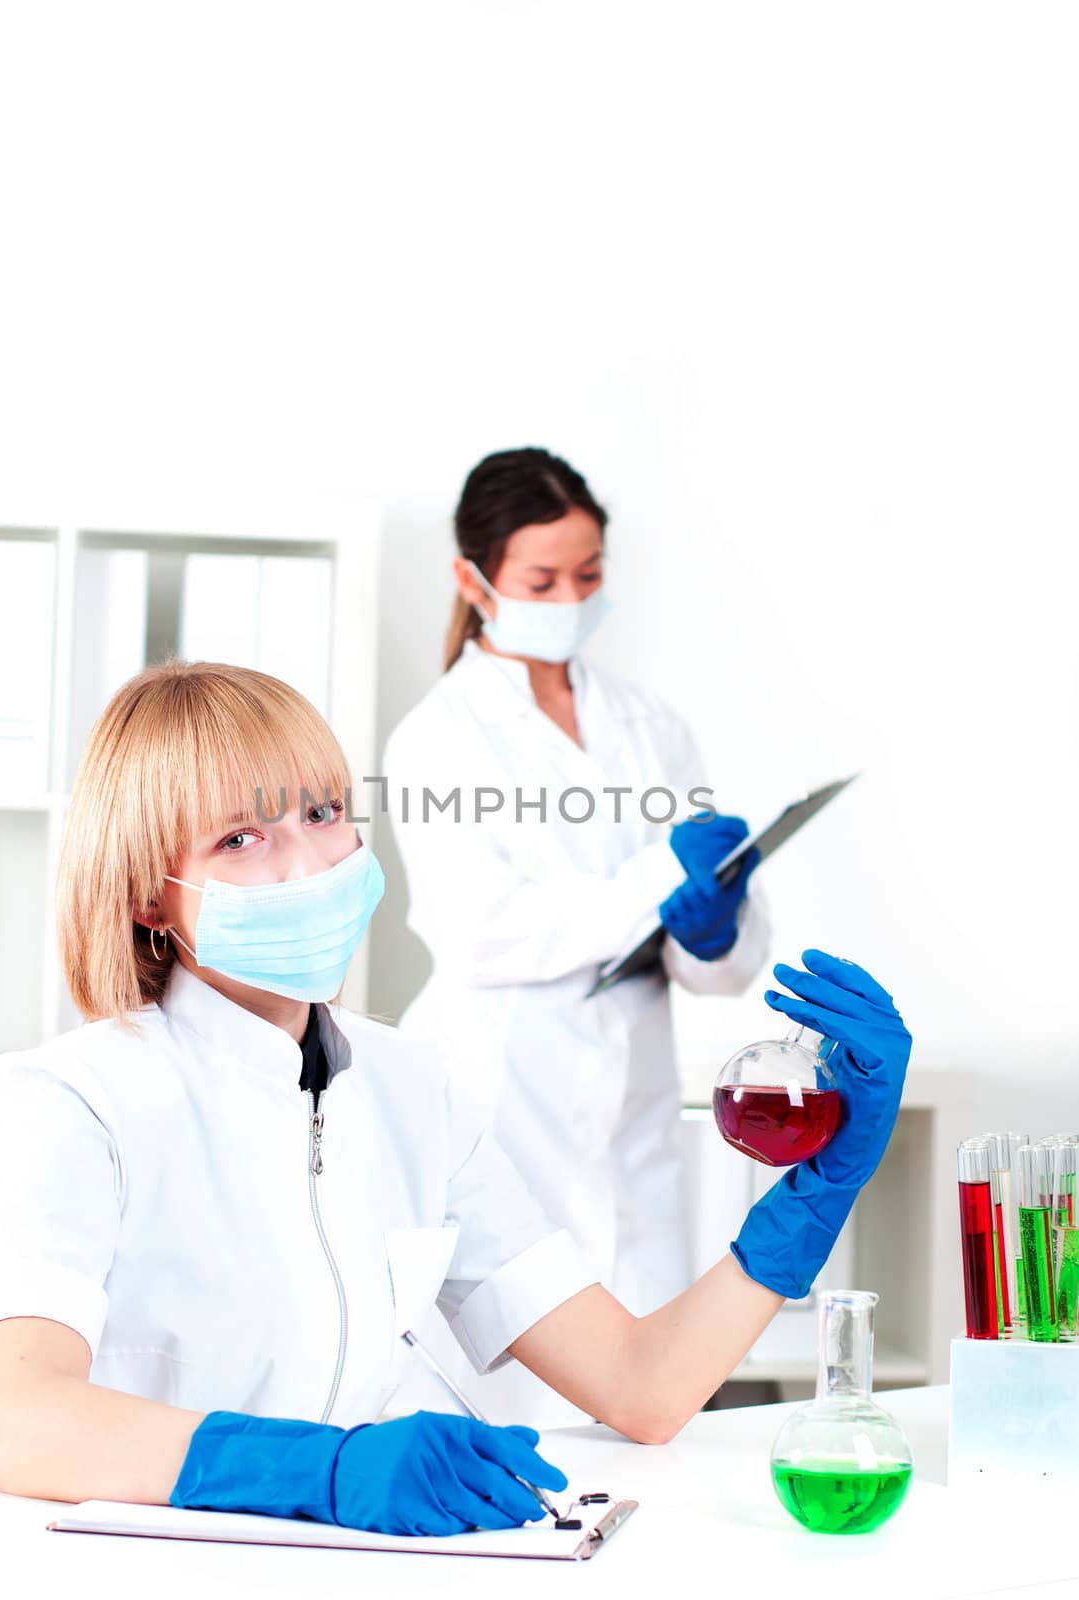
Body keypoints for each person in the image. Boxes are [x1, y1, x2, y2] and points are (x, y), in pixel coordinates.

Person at [0, 660, 910, 1535]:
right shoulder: (77, 1096)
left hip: (331, 1567)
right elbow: (26, 1423)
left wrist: (821, 1188)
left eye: (323, 813)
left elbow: (641, 1385)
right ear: (151, 897)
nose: (307, 864)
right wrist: (322, 1467)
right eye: (241, 837)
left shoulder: (413, 1087)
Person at [383, 447, 770, 1422]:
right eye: (542, 580)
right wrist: (659, 878)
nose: (571, 597)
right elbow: (482, 930)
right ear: (474, 580)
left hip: (630, 1101)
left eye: (588, 576)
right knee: (507, 1408)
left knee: (656, 1403)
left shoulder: (652, 727)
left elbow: (714, 964)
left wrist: (714, 925)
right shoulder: (439, 735)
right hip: (502, 1091)